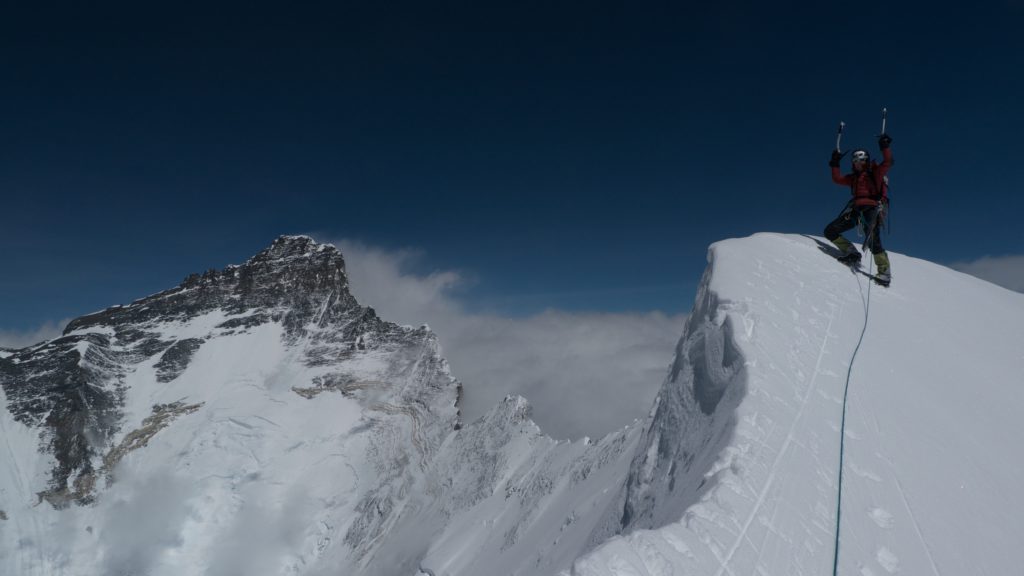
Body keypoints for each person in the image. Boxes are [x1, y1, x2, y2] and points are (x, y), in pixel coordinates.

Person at [826, 132, 893, 285]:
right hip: (856, 210)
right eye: (855, 160)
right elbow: (837, 179)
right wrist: (835, 163)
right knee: (830, 230)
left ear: (866, 160)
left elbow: (887, 162)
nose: (858, 163)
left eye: (861, 160)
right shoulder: (853, 178)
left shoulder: (875, 173)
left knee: (873, 239)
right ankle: (851, 252)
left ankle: (884, 272)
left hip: (871, 209)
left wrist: (885, 147)